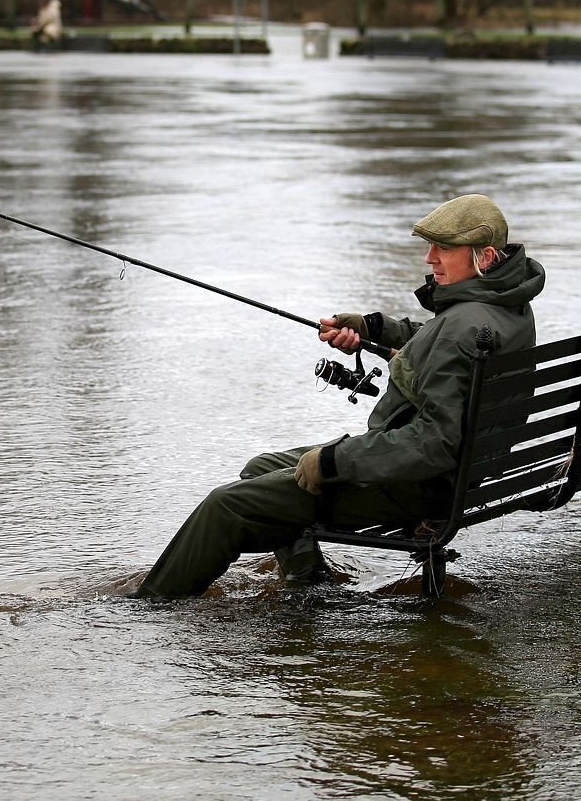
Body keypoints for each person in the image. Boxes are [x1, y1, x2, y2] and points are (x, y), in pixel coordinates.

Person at [132, 194, 546, 599]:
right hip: (461, 475)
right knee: (263, 466)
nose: (430, 258)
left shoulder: (464, 324)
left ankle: (151, 607)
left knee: (226, 505)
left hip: (420, 484)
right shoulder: (506, 307)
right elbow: (439, 347)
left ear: (485, 258)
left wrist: (335, 461)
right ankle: (308, 583)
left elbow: (433, 442)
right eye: (430, 246)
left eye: (444, 248)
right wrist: (374, 328)